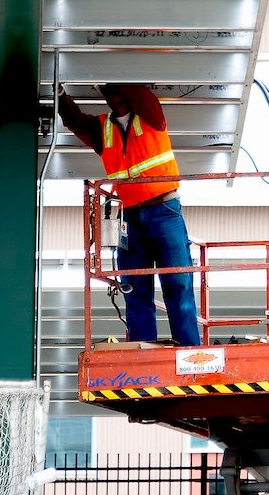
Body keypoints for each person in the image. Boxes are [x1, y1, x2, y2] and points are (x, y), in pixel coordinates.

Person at [57, 82, 201, 347]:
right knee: (135, 290)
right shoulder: (103, 130)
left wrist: (117, 72)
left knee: (178, 285)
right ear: (106, 97)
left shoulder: (150, 115)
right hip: (130, 219)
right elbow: (74, 120)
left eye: (119, 90)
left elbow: (138, 92)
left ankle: (190, 352)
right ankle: (143, 353)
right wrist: (61, 96)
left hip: (164, 210)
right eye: (109, 92)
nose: (116, 96)